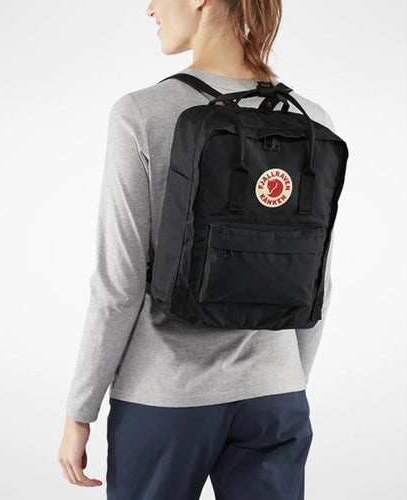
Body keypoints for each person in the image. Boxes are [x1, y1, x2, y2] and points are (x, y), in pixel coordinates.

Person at [58, 0, 336, 498]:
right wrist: (287, 381)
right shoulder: (310, 119)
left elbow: (118, 285)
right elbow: (318, 280)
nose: (149, 9)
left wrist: (81, 411)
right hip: (276, 398)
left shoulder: (142, 113)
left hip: (164, 397)